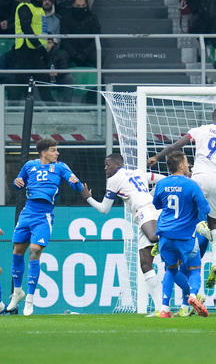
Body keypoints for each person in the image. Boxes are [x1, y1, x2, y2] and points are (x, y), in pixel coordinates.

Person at [147, 106, 216, 290]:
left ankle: (163, 238)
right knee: (215, 224)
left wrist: (157, 156)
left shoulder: (199, 130)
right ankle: (215, 261)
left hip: (199, 178)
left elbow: (175, 147)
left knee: (179, 210)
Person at [80, 153, 166, 317]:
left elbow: (105, 209)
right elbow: (162, 179)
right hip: (144, 213)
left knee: (154, 238)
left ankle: (174, 238)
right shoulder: (138, 173)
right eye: (105, 165)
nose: (105, 168)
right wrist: (153, 195)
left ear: (118, 164)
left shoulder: (114, 180)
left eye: (108, 164)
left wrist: (88, 198)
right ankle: (160, 309)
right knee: (145, 264)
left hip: (145, 211)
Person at [6, 138, 83, 316]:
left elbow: (76, 186)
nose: (57, 153)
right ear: (44, 153)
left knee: (34, 252)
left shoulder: (61, 167)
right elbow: (19, 183)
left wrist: (76, 181)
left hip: (44, 215)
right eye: (54, 150)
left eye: (57, 150)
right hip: (27, 213)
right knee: (17, 251)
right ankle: (18, 292)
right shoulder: (29, 166)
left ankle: (30, 299)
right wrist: (16, 182)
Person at [152, 151, 211, 318]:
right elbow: (206, 209)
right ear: (180, 165)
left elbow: (156, 205)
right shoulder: (192, 184)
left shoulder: (162, 184)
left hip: (164, 235)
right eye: (187, 162)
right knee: (194, 268)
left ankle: (165, 309)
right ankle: (193, 296)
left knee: (170, 270)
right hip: (185, 237)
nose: (189, 165)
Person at [60, 0, 101, 67]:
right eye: (78, 6)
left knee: (99, 56)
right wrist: (73, 53)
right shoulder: (66, 19)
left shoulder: (93, 18)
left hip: (88, 50)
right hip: (70, 51)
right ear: (73, 5)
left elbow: (97, 37)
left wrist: (85, 52)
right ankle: (64, 78)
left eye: (83, 5)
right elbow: (64, 39)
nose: (81, 8)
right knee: (62, 55)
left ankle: (98, 77)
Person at [46, 38, 74, 103]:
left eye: (49, 43)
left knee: (69, 79)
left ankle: (66, 105)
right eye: (46, 43)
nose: (47, 45)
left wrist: (57, 73)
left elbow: (64, 68)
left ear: (53, 44)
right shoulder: (39, 54)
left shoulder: (62, 53)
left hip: (59, 78)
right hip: (45, 78)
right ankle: (38, 106)